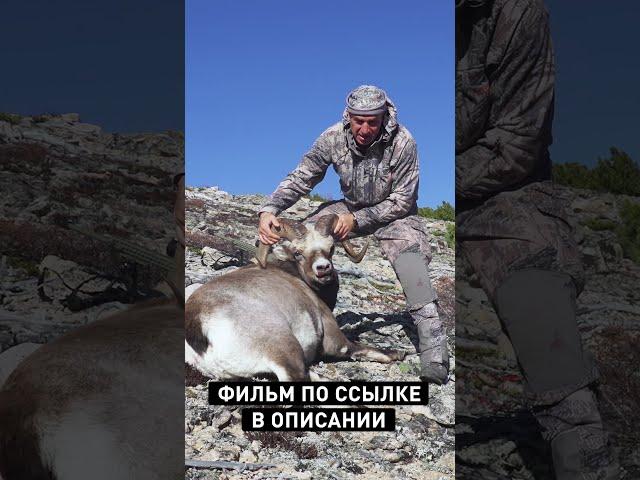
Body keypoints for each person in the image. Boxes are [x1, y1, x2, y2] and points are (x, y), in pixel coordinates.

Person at [456, 0, 619, 478]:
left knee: (534, 285)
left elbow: (518, 143)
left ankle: (580, 446)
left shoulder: (517, 14)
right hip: (409, 188)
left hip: (502, 185)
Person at [257, 85, 449, 385]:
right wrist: (269, 209)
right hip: (348, 206)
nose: (365, 128)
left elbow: (403, 199)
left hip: (395, 214)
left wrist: (356, 219)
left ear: (384, 116)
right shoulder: (332, 137)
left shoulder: (403, 142)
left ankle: (434, 352)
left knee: (412, 266)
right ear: (349, 116)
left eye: (372, 121)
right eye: (359, 120)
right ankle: (303, 315)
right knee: (304, 239)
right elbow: (303, 176)